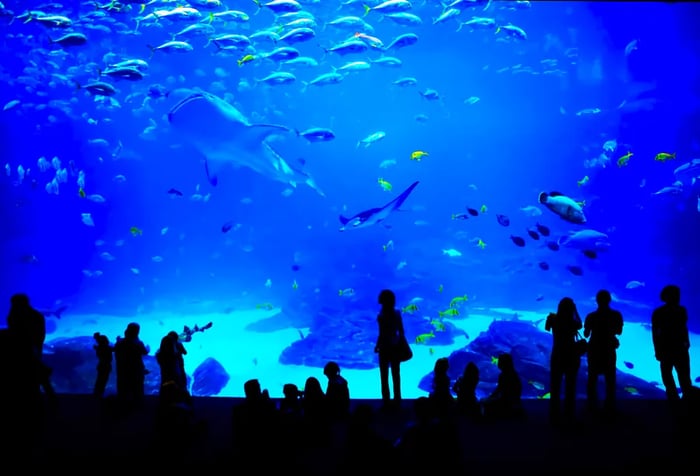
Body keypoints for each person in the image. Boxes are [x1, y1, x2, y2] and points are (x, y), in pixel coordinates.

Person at [651, 285, 694, 403]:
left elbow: (656, 333)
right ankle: (680, 400)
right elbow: (656, 332)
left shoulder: (661, 312)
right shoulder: (680, 311)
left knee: (675, 376)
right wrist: (658, 349)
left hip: (672, 348)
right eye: (676, 294)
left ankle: (679, 399)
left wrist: (686, 342)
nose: (678, 297)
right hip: (674, 348)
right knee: (676, 376)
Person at [584, 289, 623, 418]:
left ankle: (591, 405)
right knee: (610, 379)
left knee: (592, 378)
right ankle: (610, 407)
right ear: (609, 300)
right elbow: (619, 331)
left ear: (597, 301)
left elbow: (586, 334)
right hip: (608, 348)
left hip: (594, 348)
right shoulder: (616, 315)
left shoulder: (591, 316)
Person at [545, 297, 583, 425]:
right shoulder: (573, 322)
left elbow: (546, 328)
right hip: (571, 355)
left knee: (555, 386)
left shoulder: (553, 318)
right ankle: (569, 414)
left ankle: (554, 414)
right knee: (570, 386)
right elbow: (580, 323)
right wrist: (574, 310)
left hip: (557, 355)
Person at [374, 288, 406, 409]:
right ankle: (398, 401)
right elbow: (401, 331)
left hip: (384, 348)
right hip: (395, 346)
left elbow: (381, 333)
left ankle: (386, 402)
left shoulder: (381, 315)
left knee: (384, 376)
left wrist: (377, 346)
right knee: (396, 375)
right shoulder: (397, 313)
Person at [113, 322, 149, 409]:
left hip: (122, 370)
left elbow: (116, 349)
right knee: (137, 387)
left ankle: (123, 405)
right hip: (136, 370)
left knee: (123, 388)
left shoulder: (120, 343)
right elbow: (144, 352)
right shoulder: (138, 343)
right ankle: (137, 406)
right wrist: (148, 348)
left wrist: (118, 340)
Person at [481, 352, 524, 421]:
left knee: (484, 403)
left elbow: (499, 390)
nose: (498, 363)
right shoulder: (513, 374)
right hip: (513, 401)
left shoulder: (504, 375)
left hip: (506, 402)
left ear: (504, 363)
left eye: (500, 361)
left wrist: (489, 398)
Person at [93, 332, 114, 398]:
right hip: (106, 366)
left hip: (101, 365)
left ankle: (97, 393)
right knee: (103, 380)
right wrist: (118, 341)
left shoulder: (99, 348)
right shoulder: (106, 348)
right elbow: (115, 349)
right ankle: (99, 394)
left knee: (100, 380)